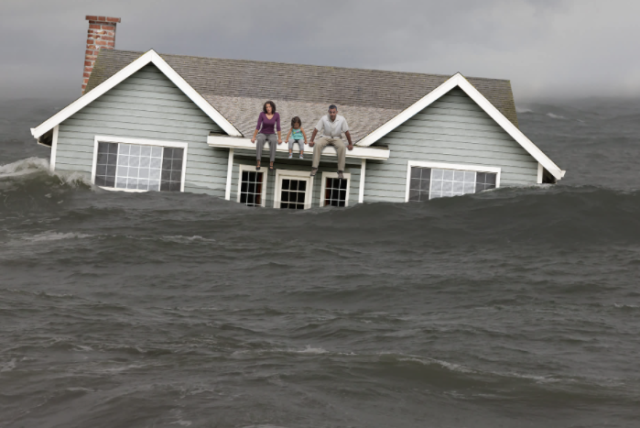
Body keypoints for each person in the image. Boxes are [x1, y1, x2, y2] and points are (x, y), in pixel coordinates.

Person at [308, 105, 353, 179]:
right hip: (326, 137)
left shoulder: (342, 119)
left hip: (337, 138)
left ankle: (340, 171)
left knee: (342, 147)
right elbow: (316, 129)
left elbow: (347, 132)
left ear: (336, 112)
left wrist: (350, 144)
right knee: (318, 145)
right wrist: (311, 140)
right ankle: (314, 168)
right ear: (328, 112)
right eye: (331, 112)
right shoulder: (324, 118)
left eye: (333, 112)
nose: (332, 114)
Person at [250, 101, 282, 170]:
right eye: (266, 107)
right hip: (263, 133)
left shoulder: (276, 115)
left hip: (272, 134)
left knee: (274, 141)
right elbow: (258, 126)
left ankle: (271, 162)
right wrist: (253, 137)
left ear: (272, 107)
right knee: (260, 139)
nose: (268, 108)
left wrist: (279, 138)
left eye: (269, 107)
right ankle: (258, 161)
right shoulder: (262, 114)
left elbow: (278, 127)